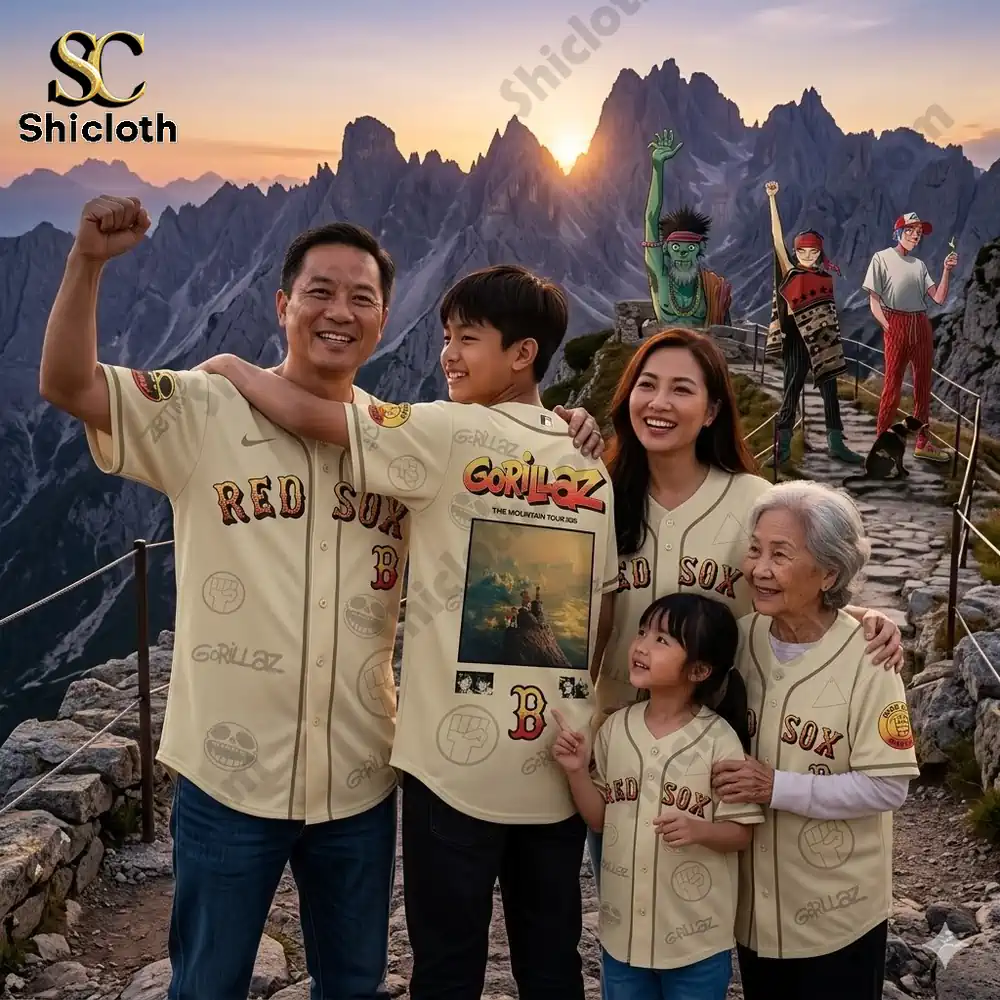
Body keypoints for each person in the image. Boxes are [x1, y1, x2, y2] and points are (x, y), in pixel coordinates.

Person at [37, 197, 604, 1000]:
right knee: (206, 983)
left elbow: (514, 495)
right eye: (320, 292)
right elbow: (67, 384)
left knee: (354, 984)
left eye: (363, 297)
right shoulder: (204, 406)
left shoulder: (406, 432)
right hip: (230, 774)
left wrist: (561, 424)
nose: (340, 312)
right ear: (284, 304)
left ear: (382, 318)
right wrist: (88, 262)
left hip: (358, 777)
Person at [195, 263, 620, 1000]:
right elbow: (602, 607)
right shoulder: (589, 464)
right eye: (446, 338)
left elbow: (316, 418)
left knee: (448, 966)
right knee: (552, 962)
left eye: (466, 339)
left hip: (449, 768)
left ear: (521, 353)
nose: (447, 355)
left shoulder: (446, 429)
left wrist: (231, 365)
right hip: (557, 760)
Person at [588, 327, 904, 894]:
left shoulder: (752, 501)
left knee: (700, 916)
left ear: (711, 411)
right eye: (647, 385)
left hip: (711, 752)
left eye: (681, 390)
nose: (659, 404)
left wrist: (863, 617)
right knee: (622, 904)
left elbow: (794, 581)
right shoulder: (599, 492)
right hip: (613, 743)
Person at [710, 481, 920, 1000]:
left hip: (839, 917)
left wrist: (774, 787)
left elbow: (888, 787)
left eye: (781, 554)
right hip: (755, 912)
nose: (759, 567)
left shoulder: (870, 659)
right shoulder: (740, 639)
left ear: (829, 571)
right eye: (755, 549)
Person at [552, 593, 764, 1000]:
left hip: (696, 943)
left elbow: (741, 834)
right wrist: (578, 770)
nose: (641, 646)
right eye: (642, 632)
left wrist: (699, 830)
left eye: (662, 640)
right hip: (624, 940)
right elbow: (599, 819)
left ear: (700, 669)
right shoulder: (615, 730)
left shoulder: (720, 740)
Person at [763, 180, 862, 466]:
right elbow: (776, 238)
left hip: (823, 340)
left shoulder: (823, 278)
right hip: (795, 338)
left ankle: (836, 442)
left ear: (820, 253)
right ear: (796, 253)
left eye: (813, 252)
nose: (807, 257)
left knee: (830, 387)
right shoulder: (789, 272)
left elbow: (828, 314)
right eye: (803, 252)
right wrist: (772, 199)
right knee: (791, 389)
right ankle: (781, 448)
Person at [863, 212, 958, 463]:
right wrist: (887, 326)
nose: (915, 235)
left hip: (921, 324)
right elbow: (873, 300)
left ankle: (922, 442)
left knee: (922, 387)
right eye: (910, 230)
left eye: (918, 232)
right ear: (898, 233)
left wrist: (946, 271)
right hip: (896, 322)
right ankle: (881, 442)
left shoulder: (919, 265)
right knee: (892, 384)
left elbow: (938, 298)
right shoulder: (881, 258)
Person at [643, 130, 732, 329]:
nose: (682, 252)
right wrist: (657, 168)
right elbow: (650, 219)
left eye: (690, 248)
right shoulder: (660, 274)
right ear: (665, 249)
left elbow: (725, 329)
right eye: (676, 247)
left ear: (700, 248)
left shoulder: (712, 287)